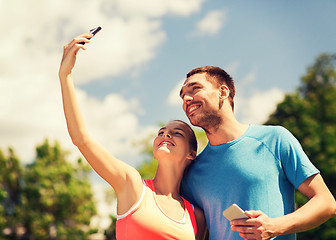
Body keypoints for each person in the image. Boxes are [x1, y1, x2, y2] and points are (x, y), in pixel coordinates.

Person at [58, 32, 206, 240]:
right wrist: (66, 75)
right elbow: (82, 139)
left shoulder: (196, 215)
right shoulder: (133, 185)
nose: (166, 135)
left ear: (191, 153)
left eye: (177, 133)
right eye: (161, 132)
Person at [179, 66, 336, 240]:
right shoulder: (193, 172)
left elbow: (326, 203)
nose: (186, 98)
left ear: (223, 92)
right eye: (183, 95)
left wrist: (275, 227)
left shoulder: (275, 139)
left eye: (195, 89)